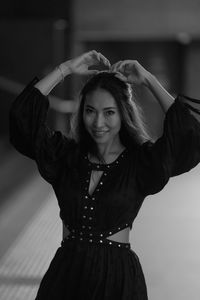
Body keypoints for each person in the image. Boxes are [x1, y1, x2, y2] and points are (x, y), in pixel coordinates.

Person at [9, 50, 200, 300]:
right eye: (90, 111)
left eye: (109, 112)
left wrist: (150, 80)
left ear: (124, 113)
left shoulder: (141, 162)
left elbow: (188, 135)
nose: (98, 122)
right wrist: (65, 69)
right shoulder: (65, 156)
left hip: (117, 280)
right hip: (66, 277)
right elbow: (22, 120)